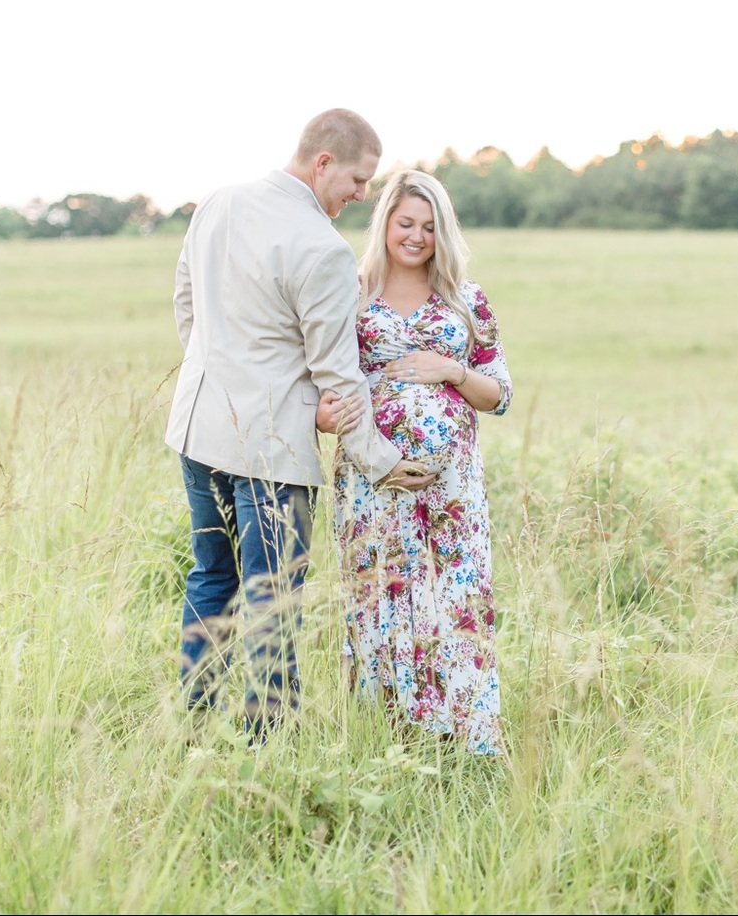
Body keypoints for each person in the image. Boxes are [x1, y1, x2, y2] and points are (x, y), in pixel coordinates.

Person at [165, 110, 433, 740]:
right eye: (359, 180)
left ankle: (194, 728)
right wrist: (382, 460)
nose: (362, 195)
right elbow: (339, 376)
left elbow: (187, 307)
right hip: (271, 452)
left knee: (212, 577)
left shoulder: (218, 204)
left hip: (197, 431)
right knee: (272, 597)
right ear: (322, 163)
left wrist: (222, 378)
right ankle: (267, 745)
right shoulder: (323, 251)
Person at [317, 169, 512, 756]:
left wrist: (451, 370)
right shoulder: (350, 294)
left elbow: (499, 393)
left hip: (451, 491)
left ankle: (463, 737)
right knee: (382, 596)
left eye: (430, 226)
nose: (417, 236)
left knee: (452, 594)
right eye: (406, 223)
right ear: (385, 224)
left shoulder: (465, 298)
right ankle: (389, 737)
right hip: (372, 480)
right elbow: (319, 381)